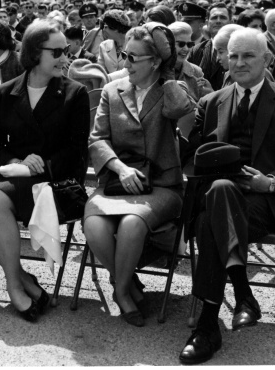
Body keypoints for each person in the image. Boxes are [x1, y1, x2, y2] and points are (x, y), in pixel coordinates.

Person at [179, 28, 275, 364]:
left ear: (266, 59)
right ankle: (237, 298)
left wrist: (270, 182)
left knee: (210, 220)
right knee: (219, 194)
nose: (238, 63)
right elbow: (191, 157)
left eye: (248, 56)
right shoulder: (211, 102)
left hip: (264, 204)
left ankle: (212, 323)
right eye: (233, 56)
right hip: (220, 198)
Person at [0, 20, 89, 322]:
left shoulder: (75, 93)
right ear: (33, 53)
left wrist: (39, 163)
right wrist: (18, 161)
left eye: (66, 51)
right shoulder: (6, 92)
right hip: (14, 172)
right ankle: (21, 277)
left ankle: (13, 286)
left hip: (54, 179)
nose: (64, 58)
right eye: (56, 52)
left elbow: (76, 150)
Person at [83, 23, 192, 327]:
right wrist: (120, 167)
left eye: (133, 58)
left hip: (161, 186)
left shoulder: (173, 89)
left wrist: (167, 74)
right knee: (94, 225)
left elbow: (181, 111)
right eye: (124, 55)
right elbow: (97, 139)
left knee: (132, 223)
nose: (125, 63)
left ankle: (121, 292)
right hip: (118, 183)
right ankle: (128, 283)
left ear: (155, 62)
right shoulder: (112, 90)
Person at [188, 2, 231, 90]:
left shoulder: (237, 49)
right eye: (214, 18)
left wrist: (213, 94)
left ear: (231, 22)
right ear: (207, 23)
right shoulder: (196, 50)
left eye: (223, 17)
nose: (218, 21)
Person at [168, 21, 213, 102]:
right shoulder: (155, 69)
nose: (186, 49)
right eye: (181, 44)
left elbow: (203, 105)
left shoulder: (196, 72)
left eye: (189, 44)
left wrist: (209, 94)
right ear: (169, 44)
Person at [96, 10, 131, 74]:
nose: (103, 30)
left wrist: (109, 77)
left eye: (106, 27)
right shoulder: (104, 45)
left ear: (115, 27)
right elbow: (100, 70)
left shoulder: (134, 44)